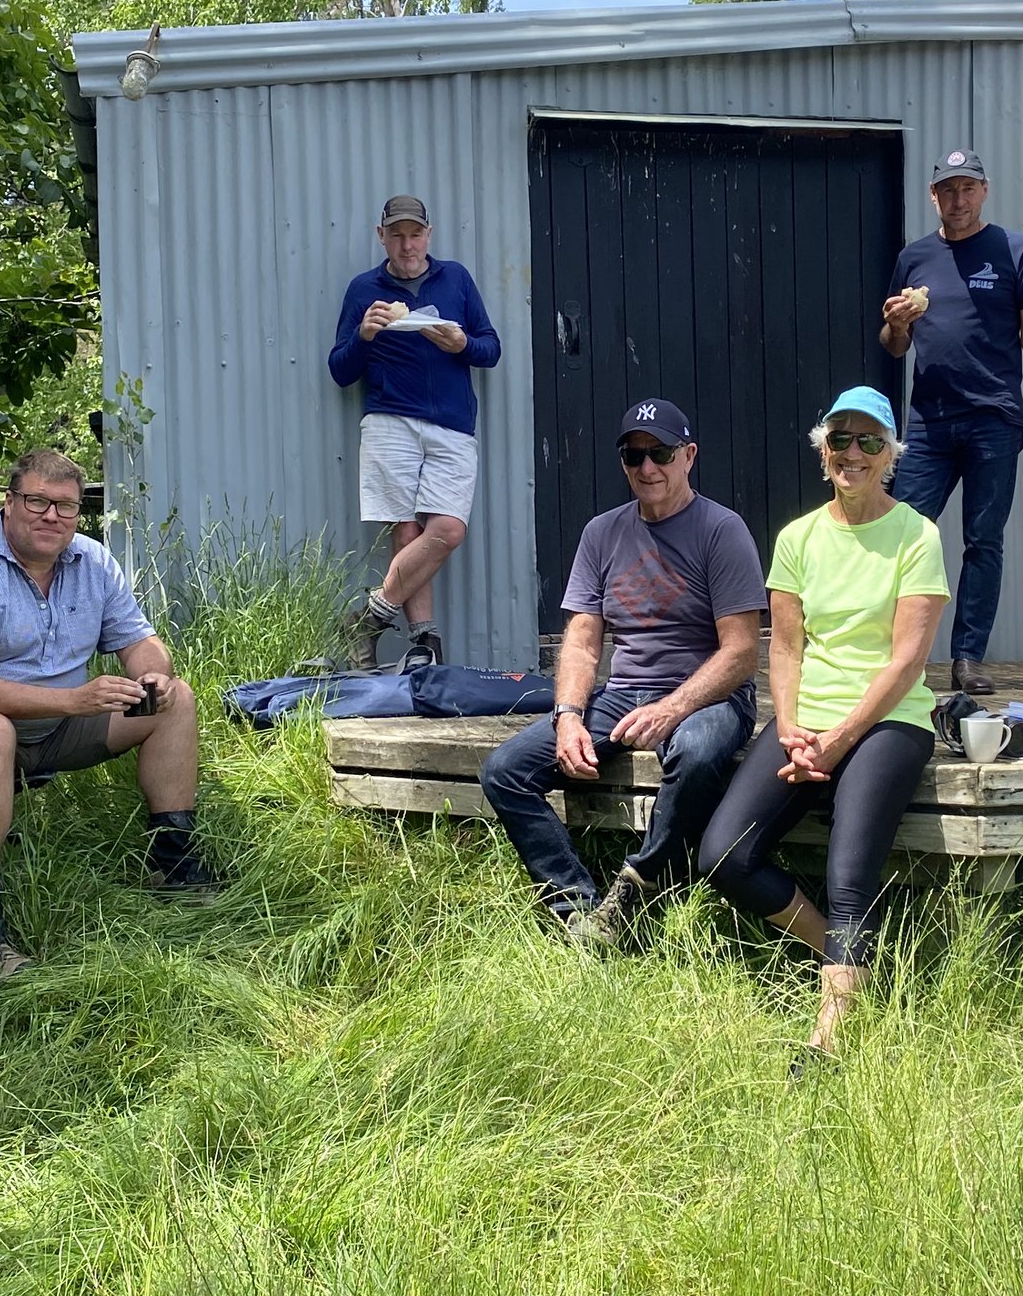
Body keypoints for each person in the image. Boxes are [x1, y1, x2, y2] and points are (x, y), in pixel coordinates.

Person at [0, 448, 219, 974]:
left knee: (174, 701)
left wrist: (153, 675)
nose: (52, 516)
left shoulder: (92, 561)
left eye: (66, 506)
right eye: (37, 501)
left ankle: (174, 866)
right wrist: (74, 701)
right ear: (9, 502)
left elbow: (139, 641)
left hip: (51, 728)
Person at [698, 386, 949, 1072]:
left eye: (870, 441)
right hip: (804, 722)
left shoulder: (917, 536)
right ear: (823, 451)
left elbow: (906, 662)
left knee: (848, 871)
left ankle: (827, 1041)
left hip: (888, 719)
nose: (853, 453)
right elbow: (784, 647)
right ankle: (845, 957)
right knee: (723, 855)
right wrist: (791, 727)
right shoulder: (798, 537)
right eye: (841, 439)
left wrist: (838, 741)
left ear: (891, 455)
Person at [478, 398, 765, 947]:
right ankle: (579, 911)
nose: (648, 467)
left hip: (709, 694)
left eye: (662, 453)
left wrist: (673, 707)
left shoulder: (721, 530)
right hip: (625, 692)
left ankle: (637, 886)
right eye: (635, 455)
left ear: (689, 456)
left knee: (695, 751)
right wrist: (568, 716)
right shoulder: (601, 533)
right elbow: (582, 641)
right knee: (504, 770)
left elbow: (741, 652)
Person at [878, 148, 1023, 695]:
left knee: (983, 541)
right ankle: (896, 658)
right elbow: (893, 346)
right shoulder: (914, 258)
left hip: (994, 419)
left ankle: (968, 659)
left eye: (967, 188)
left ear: (984, 191)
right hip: (929, 423)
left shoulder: (1013, 249)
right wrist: (897, 324)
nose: (958, 200)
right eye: (947, 190)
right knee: (904, 536)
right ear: (933, 196)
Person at [327, 194, 501, 669]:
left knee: (447, 530)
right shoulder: (365, 289)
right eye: (397, 235)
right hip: (390, 419)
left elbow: (490, 349)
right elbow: (340, 371)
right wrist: (363, 336)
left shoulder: (456, 278)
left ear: (429, 234)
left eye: (415, 234)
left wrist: (462, 343)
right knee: (406, 533)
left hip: (453, 425)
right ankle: (427, 645)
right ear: (381, 236)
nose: (407, 245)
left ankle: (368, 618)